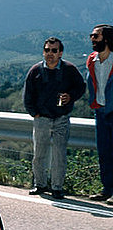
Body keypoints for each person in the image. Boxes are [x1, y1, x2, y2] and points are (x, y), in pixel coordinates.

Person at [23, 37, 85, 199]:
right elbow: (27, 94)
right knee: (39, 154)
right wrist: (34, 113)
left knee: (59, 155)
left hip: (61, 118)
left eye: (54, 50)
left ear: (60, 53)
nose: (50, 54)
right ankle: (40, 184)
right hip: (41, 118)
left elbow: (81, 87)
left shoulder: (69, 69)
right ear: (43, 52)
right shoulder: (35, 71)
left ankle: (57, 187)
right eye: (47, 50)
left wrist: (70, 96)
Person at [86, 24, 113, 202]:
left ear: (107, 39)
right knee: (104, 152)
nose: (92, 40)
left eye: (96, 36)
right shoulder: (92, 61)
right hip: (101, 112)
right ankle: (107, 189)